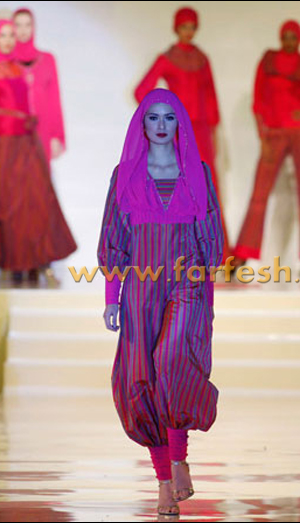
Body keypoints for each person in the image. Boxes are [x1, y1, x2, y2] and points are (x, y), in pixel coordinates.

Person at [97, 88, 223, 516]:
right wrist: (112, 298)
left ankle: (180, 458)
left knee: (173, 361)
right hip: (140, 288)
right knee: (143, 379)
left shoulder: (198, 172)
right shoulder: (125, 174)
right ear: (142, 125)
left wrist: (207, 293)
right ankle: (165, 482)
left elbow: (210, 232)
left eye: (170, 117)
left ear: (180, 123)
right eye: (153, 117)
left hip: (188, 282)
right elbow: (114, 236)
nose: (162, 125)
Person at [0, 19, 77, 284]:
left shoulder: (18, 69)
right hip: (2, 144)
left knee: (33, 200)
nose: (8, 40)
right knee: (0, 200)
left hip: (26, 141)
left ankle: (33, 262)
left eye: (11, 35)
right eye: (3, 35)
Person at [231, 20, 300, 275]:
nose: (289, 41)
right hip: (273, 134)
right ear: (280, 36)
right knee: (259, 194)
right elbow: (258, 102)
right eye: (286, 36)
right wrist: (262, 137)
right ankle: (242, 255)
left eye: (294, 37)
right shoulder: (268, 61)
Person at [134, 6, 232, 264]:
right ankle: (173, 252)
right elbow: (141, 91)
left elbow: (211, 98)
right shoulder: (167, 58)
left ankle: (216, 253)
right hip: (178, 132)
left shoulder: (202, 59)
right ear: (176, 28)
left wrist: (214, 129)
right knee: (176, 186)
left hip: (202, 132)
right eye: (184, 26)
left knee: (207, 187)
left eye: (192, 27)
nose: (188, 31)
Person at [12, 7, 69, 284]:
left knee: (41, 198)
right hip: (15, 138)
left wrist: (58, 136)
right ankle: (20, 261)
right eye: (18, 25)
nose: (23, 31)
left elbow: (54, 98)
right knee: (17, 200)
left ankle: (42, 260)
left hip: (42, 135)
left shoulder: (47, 60)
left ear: (33, 27)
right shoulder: (6, 62)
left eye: (27, 25)